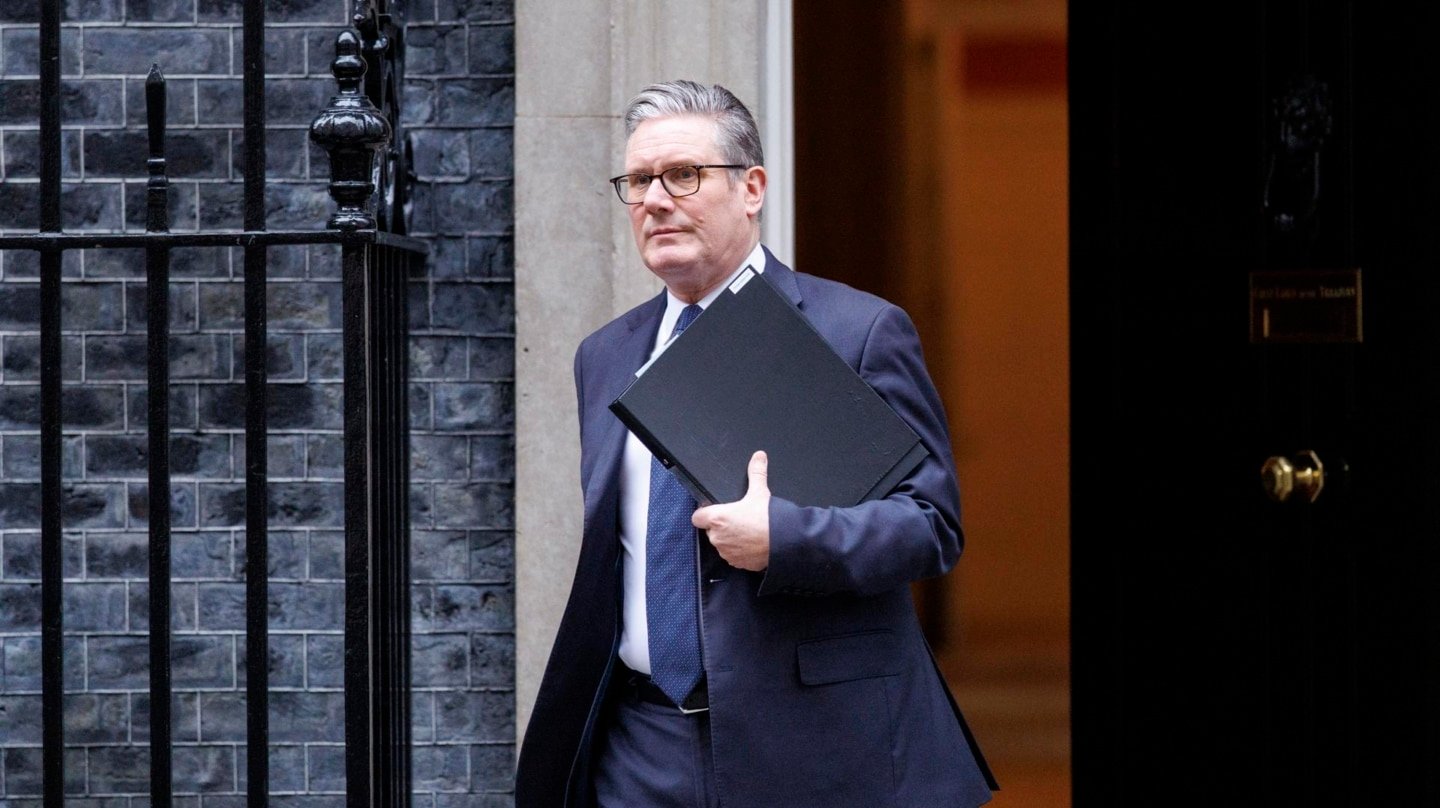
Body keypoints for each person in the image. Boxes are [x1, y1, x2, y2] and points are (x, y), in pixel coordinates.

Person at [515, 79, 996, 808]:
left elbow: (931, 526)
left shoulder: (857, 332)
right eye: (639, 180)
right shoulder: (605, 355)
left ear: (752, 188)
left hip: (815, 747)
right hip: (639, 748)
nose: (655, 199)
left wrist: (785, 537)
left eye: (683, 175)